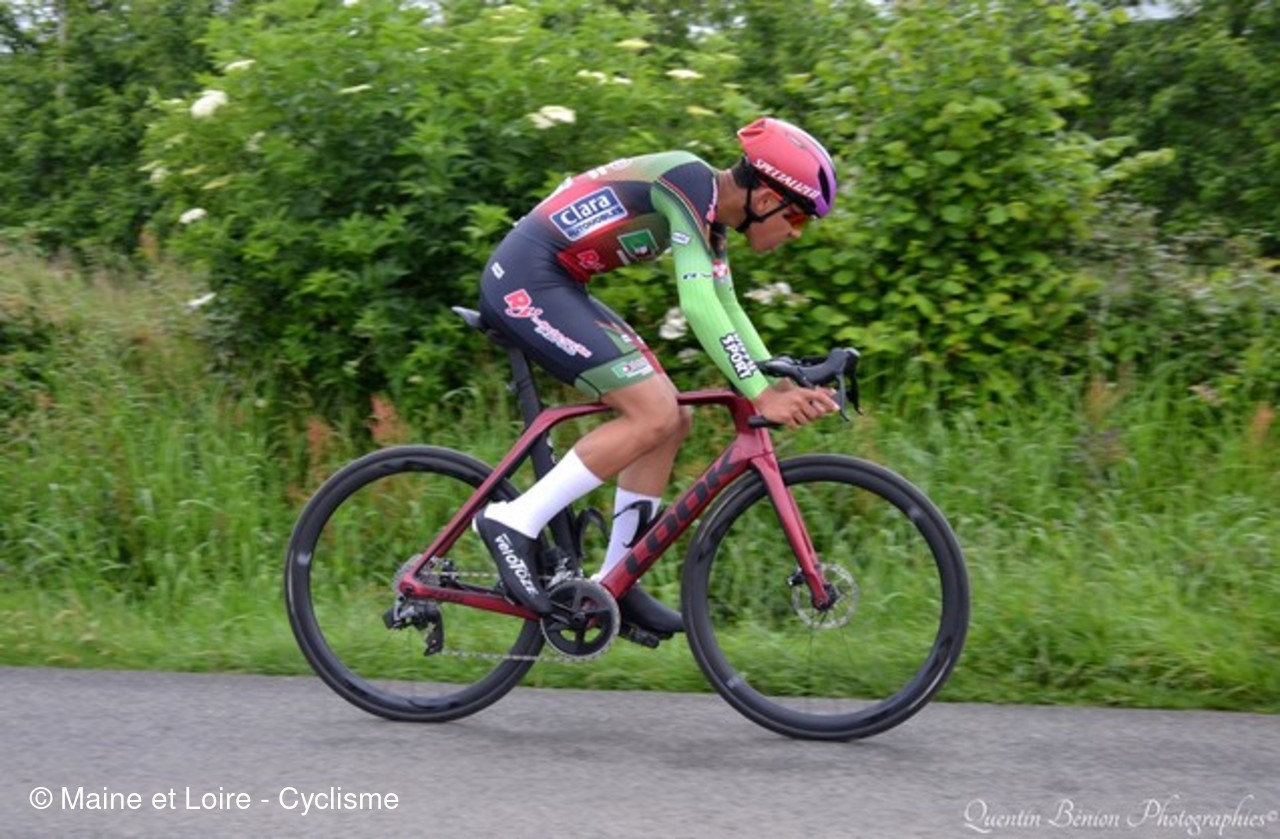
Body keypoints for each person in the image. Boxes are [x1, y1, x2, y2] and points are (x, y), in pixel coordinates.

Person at [475, 116, 840, 636]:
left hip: (558, 282)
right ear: (764, 199)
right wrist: (760, 394)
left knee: (674, 420)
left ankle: (615, 581)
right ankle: (512, 520)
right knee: (652, 412)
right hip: (526, 281)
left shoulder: (711, 215)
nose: (796, 232)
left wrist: (776, 382)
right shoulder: (688, 184)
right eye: (797, 217)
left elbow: (727, 307)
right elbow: (697, 305)